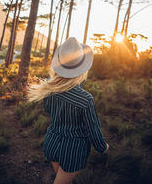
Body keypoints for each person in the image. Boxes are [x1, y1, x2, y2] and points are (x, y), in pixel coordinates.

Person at [27, 37, 109, 184]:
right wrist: (103, 147)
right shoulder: (85, 99)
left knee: (63, 178)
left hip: (52, 142)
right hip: (73, 152)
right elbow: (93, 129)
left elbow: (50, 112)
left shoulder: (48, 87)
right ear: (82, 68)